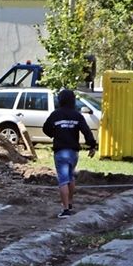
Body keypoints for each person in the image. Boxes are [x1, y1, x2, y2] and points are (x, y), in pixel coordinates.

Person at [42, 89, 97, 218]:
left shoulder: (55, 114)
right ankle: (70, 203)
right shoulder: (77, 116)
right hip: (73, 152)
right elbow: (86, 131)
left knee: (63, 180)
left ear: (60, 100)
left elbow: (46, 128)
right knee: (70, 177)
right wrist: (92, 146)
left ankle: (66, 210)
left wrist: (54, 134)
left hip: (60, 151)